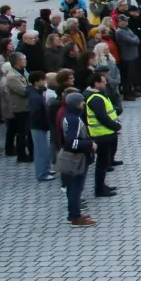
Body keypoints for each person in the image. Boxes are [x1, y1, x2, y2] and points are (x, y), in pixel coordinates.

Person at [59, 91, 96, 227]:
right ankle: (75, 217)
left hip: (72, 158)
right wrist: (90, 144)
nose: (84, 104)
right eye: (81, 102)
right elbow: (71, 142)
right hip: (76, 159)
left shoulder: (68, 116)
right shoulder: (74, 120)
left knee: (72, 188)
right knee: (75, 188)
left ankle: (74, 213)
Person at [85, 72, 121, 198]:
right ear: (96, 83)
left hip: (106, 133)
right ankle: (99, 189)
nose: (106, 82)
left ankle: (102, 185)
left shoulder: (97, 96)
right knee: (102, 163)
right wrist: (116, 126)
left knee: (104, 163)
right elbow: (102, 117)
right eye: (103, 81)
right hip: (102, 135)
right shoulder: (95, 98)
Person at [26, 72, 53, 181]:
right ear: (36, 81)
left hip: (40, 125)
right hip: (38, 126)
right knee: (41, 151)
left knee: (44, 150)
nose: (45, 82)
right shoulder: (35, 97)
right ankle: (42, 173)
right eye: (43, 80)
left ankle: (46, 169)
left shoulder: (36, 93)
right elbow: (35, 113)